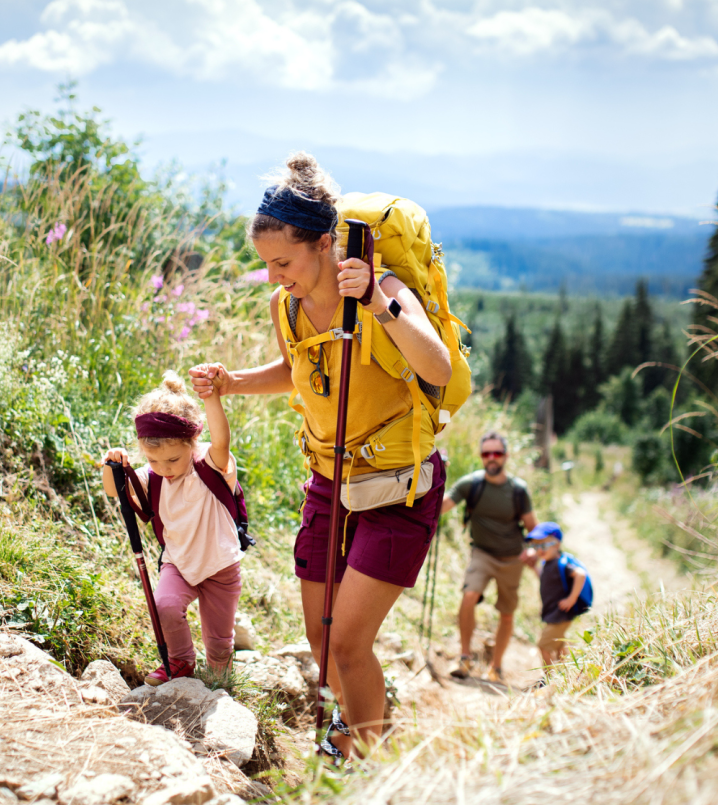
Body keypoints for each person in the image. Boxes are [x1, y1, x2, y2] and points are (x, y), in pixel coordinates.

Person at [189, 152, 451, 762]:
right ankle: (359, 732)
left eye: (284, 262)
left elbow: (435, 365)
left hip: (397, 487)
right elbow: (297, 370)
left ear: (325, 244)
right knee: (322, 638)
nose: (276, 276)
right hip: (329, 481)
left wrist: (382, 307)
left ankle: (369, 765)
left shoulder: (382, 289)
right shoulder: (287, 305)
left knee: (351, 642)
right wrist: (232, 382)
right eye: (267, 265)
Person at [102, 370, 243, 685]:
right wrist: (111, 465)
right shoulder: (151, 478)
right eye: (154, 461)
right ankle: (180, 662)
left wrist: (211, 397)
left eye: (173, 460)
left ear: (193, 443)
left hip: (220, 565)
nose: (164, 469)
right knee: (164, 605)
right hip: (178, 561)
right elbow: (114, 490)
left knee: (219, 641)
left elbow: (221, 439)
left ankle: (221, 677)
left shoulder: (209, 464)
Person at [440, 432, 538, 682]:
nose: (492, 458)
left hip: (512, 558)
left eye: (497, 453)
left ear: (505, 456)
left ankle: (496, 666)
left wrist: (533, 549)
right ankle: (464, 658)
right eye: (486, 454)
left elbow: (533, 529)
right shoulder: (470, 484)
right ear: (481, 457)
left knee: (507, 613)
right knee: (469, 595)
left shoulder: (518, 490)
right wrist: (435, 477)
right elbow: (441, 506)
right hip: (482, 553)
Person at [521, 522, 591, 666]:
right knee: (559, 644)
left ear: (557, 545)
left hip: (561, 613)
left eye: (544, 545)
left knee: (543, 646)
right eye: (536, 546)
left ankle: (550, 678)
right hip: (554, 612)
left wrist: (571, 599)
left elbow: (580, 575)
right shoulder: (548, 564)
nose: (540, 550)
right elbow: (545, 580)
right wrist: (534, 567)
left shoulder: (562, 563)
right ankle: (566, 672)